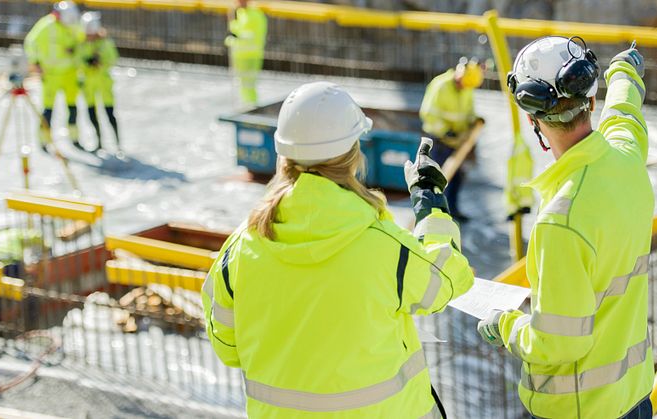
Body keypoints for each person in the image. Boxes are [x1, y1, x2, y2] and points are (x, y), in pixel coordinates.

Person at [202, 82, 474, 418]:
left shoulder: (240, 249)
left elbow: (229, 348)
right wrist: (430, 206)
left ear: (282, 154)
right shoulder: (384, 247)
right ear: (353, 155)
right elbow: (447, 279)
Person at [477, 36, 654, 418]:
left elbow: (559, 344)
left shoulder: (562, 220)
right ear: (591, 101)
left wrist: (506, 325)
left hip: (578, 410)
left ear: (532, 119)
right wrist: (624, 70)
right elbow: (624, 113)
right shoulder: (626, 158)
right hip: (635, 397)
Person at [419, 57, 484, 222]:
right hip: (439, 140)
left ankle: (451, 210)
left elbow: (468, 112)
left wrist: (474, 121)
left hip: (456, 141)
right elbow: (428, 113)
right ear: (459, 75)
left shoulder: (467, 88)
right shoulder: (440, 85)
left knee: (455, 177)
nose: (464, 88)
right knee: (437, 178)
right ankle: (434, 214)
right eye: (462, 84)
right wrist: (445, 132)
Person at [24, 1, 83, 152]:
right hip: (50, 75)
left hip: (70, 73)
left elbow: (81, 41)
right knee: (48, 110)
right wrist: (34, 62)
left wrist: (75, 50)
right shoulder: (45, 25)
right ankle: (44, 140)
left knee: (72, 108)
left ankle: (74, 137)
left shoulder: (73, 24)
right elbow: (30, 42)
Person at [78, 12, 120, 154]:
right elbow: (78, 61)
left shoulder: (105, 43)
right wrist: (86, 63)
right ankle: (99, 142)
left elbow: (112, 59)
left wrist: (100, 62)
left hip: (103, 83)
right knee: (92, 114)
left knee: (109, 114)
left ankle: (117, 143)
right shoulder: (82, 44)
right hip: (89, 85)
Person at [224, 0, 267, 105]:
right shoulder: (239, 13)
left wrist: (236, 38)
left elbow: (252, 36)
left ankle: (252, 105)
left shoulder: (256, 15)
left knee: (249, 84)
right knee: (242, 83)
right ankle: (246, 105)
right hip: (239, 56)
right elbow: (234, 32)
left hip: (251, 56)